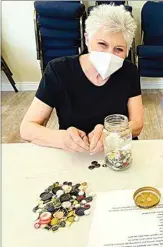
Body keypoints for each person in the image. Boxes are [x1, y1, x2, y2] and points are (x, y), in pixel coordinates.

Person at [20, 5, 143, 154]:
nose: (109, 55)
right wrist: (61, 138)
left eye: (119, 49)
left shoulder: (129, 72)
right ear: (87, 39)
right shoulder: (58, 71)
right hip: (73, 154)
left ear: (127, 50)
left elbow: (137, 124)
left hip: (117, 152)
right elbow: (27, 128)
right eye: (102, 44)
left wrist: (112, 135)